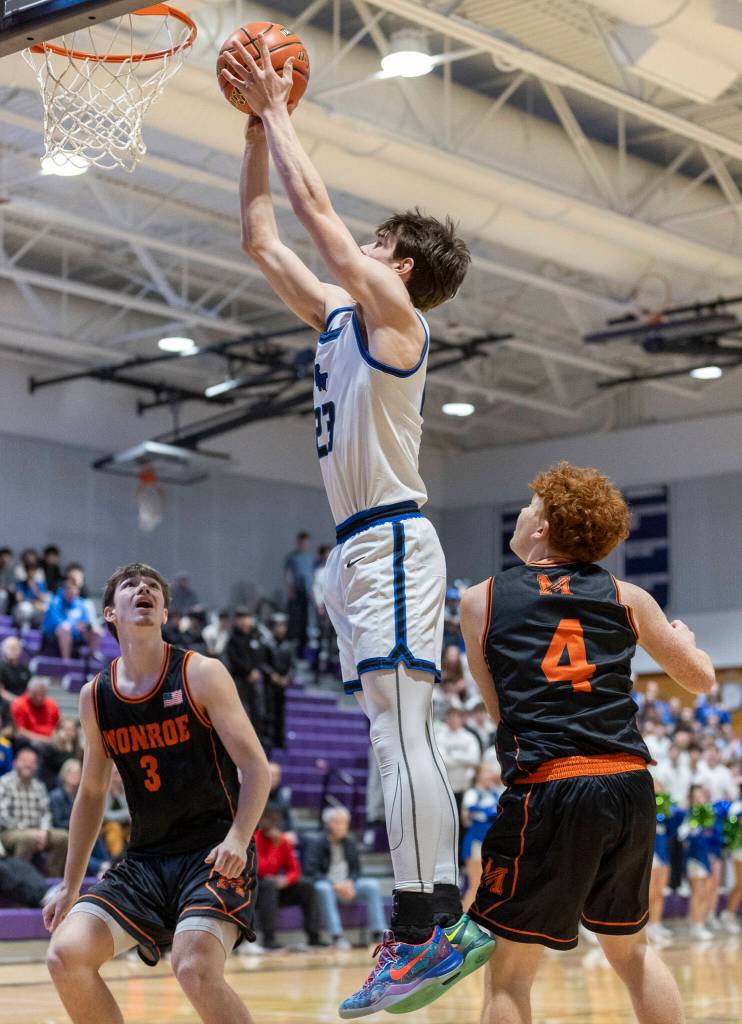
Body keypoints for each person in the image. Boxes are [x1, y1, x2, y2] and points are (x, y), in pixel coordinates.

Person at [226, 36, 488, 1019]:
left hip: (387, 536)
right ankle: (421, 927)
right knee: (387, 734)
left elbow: (320, 220)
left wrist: (283, 105)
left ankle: (432, 926)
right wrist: (255, 127)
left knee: (401, 727)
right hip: (354, 551)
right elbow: (263, 234)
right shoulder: (338, 320)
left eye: (377, 242)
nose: (359, 247)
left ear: (400, 263)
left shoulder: (398, 326)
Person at [458, 461, 716, 1024]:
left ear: (544, 525)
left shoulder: (481, 600)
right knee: (633, 952)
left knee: (509, 971)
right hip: (628, 784)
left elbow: (500, 710)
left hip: (550, 786)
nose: (524, 512)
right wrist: (683, 641)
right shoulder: (629, 596)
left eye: (531, 506)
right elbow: (701, 681)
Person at [43, 562, 271, 1024]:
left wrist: (238, 838)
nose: (143, 588)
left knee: (193, 965)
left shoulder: (201, 674)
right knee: (65, 955)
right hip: (145, 861)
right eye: (130, 585)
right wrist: (69, 884)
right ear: (110, 612)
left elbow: (256, 767)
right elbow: (90, 794)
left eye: (153, 587)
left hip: (212, 854)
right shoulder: (96, 697)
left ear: (165, 612)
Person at [303, 806, 387, 949]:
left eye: (345, 823)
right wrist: (335, 885)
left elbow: (356, 870)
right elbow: (311, 871)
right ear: (329, 824)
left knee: (372, 885)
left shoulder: (350, 842)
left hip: (347, 885)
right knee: (323, 888)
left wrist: (350, 882)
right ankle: (337, 936)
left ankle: (378, 933)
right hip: (328, 886)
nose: (344, 826)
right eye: (339, 822)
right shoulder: (317, 842)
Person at [253, 807, 324, 951]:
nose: (271, 824)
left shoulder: (283, 841)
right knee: (269, 884)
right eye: (267, 820)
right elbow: (260, 869)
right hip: (256, 889)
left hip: (277, 887)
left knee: (307, 886)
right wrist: (274, 846)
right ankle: (269, 939)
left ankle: (314, 937)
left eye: (274, 821)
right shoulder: (255, 839)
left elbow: (295, 870)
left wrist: (286, 880)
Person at [0, 746, 68, 874]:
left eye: (32, 762)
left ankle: (54, 879)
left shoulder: (39, 786)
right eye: (24, 761)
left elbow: (45, 813)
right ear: (15, 763)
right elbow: (3, 816)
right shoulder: (4, 783)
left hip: (37, 832)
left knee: (63, 837)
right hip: (9, 832)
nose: (28, 765)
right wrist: (30, 831)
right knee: (27, 838)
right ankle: (18, 878)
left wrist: (43, 831)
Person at [49, 758, 108, 876]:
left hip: (80, 830)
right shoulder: (56, 796)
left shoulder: (81, 795)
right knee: (80, 841)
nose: (76, 775)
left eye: (78, 772)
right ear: (64, 774)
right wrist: (80, 825)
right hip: (65, 832)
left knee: (95, 832)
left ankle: (106, 863)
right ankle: (101, 866)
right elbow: (57, 822)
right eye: (72, 772)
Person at [225, 607, 267, 750]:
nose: (244, 621)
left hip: (255, 680)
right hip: (240, 680)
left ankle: (258, 743)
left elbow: (262, 656)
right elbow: (233, 659)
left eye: (247, 617)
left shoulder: (257, 636)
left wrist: (256, 671)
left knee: (258, 712)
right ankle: (239, 743)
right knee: (240, 711)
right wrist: (248, 672)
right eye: (241, 618)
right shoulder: (233, 639)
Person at [42, 574, 101, 660]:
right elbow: (58, 622)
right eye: (69, 588)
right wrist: (74, 626)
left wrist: (83, 626)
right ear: (64, 589)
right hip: (54, 634)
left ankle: (89, 657)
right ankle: (67, 661)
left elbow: (86, 621)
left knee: (97, 631)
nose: (72, 591)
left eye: (74, 588)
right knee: (65, 629)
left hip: (76, 634)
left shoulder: (81, 604)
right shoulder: (55, 602)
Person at [262, 613, 293, 752]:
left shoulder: (288, 645)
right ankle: (268, 740)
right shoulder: (267, 643)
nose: (281, 629)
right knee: (269, 712)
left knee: (281, 712)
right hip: (269, 685)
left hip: (282, 684)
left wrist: (288, 677)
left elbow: (293, 666)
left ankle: (280, 741)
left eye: (283, 626)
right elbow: (262, 663)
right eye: (278, 626)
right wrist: (271, 674)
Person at [11, 678, 60, 749]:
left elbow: (58, 725)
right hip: (30, 741)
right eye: (35, 694)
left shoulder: (52, 704)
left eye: (42, 694)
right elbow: (19, 731)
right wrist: (44, 739)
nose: (39, 698)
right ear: (28, 691)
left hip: (50, 739)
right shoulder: (19, 704)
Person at [0, 636, 31, 701]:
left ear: (20, 650)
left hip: (22, 702)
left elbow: (29, 689)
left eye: (15, 648)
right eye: (10, 648)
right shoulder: (1, 667)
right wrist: (17, 701)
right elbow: (1, 691)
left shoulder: (25, 669)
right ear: (3, 650)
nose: (13, 651)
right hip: (4, 703)